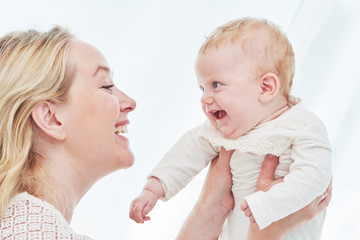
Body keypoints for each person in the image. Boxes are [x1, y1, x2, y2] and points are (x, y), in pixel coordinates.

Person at [0, 26, 330, 240]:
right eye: (106, 85)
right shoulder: (32, 232)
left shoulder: (30, 225)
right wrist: (267, 233)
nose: (129, 102)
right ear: (50, 118)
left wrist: (210, 210)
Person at [129, 17, 332, 239]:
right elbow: (186, 152)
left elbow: (315, 176)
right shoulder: (220, 131)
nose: (205, 98)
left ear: (265, 87)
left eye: (216, 85)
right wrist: (153, 189)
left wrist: (268, 205)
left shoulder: (302, 126)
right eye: (202, 88)